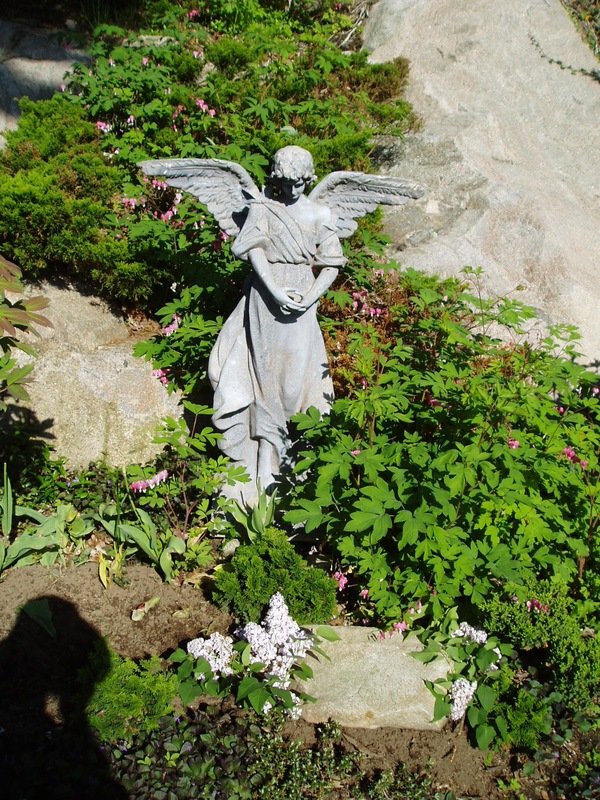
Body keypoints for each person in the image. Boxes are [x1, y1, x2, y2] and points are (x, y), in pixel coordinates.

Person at [208, 146, 346, 499]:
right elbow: (253, 250)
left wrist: (310, 297)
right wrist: (275, 290)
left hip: (302, 303)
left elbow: (331, 263)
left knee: (294, 385)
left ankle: (292, 468)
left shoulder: (320, 212)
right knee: (262, 379)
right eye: (285, 182)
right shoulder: (263, 207)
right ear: (276, 179)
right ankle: (258, 470)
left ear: (309, 179)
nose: (291, 189)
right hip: (266, 298)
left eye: (298, 182)